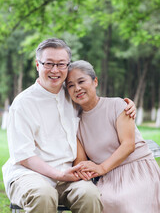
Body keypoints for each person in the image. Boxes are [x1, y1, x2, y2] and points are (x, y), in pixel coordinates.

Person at [2, 38, 135, 213]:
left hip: (68, 175)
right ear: (37, 65)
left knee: (90, 195)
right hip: (29, 175)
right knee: (43, 195)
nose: (55, 70)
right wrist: (58, 174)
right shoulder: (23, 104)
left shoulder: (72, 94)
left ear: (67, 66)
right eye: (49, 64)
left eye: (61, 64)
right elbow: (24, 155)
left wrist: (126, 105)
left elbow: (98, 106)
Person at [66, 60, 160, 213]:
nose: (77, 88)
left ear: (95, 81)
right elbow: (82, 162)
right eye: (70, 85)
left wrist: (101, 168)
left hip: (138, 170)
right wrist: (86, 170)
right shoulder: (76, 124)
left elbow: (128, 145)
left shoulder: (118, 105)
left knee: (122, 201)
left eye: (81, 81)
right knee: (101, 200)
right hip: (108, 179)